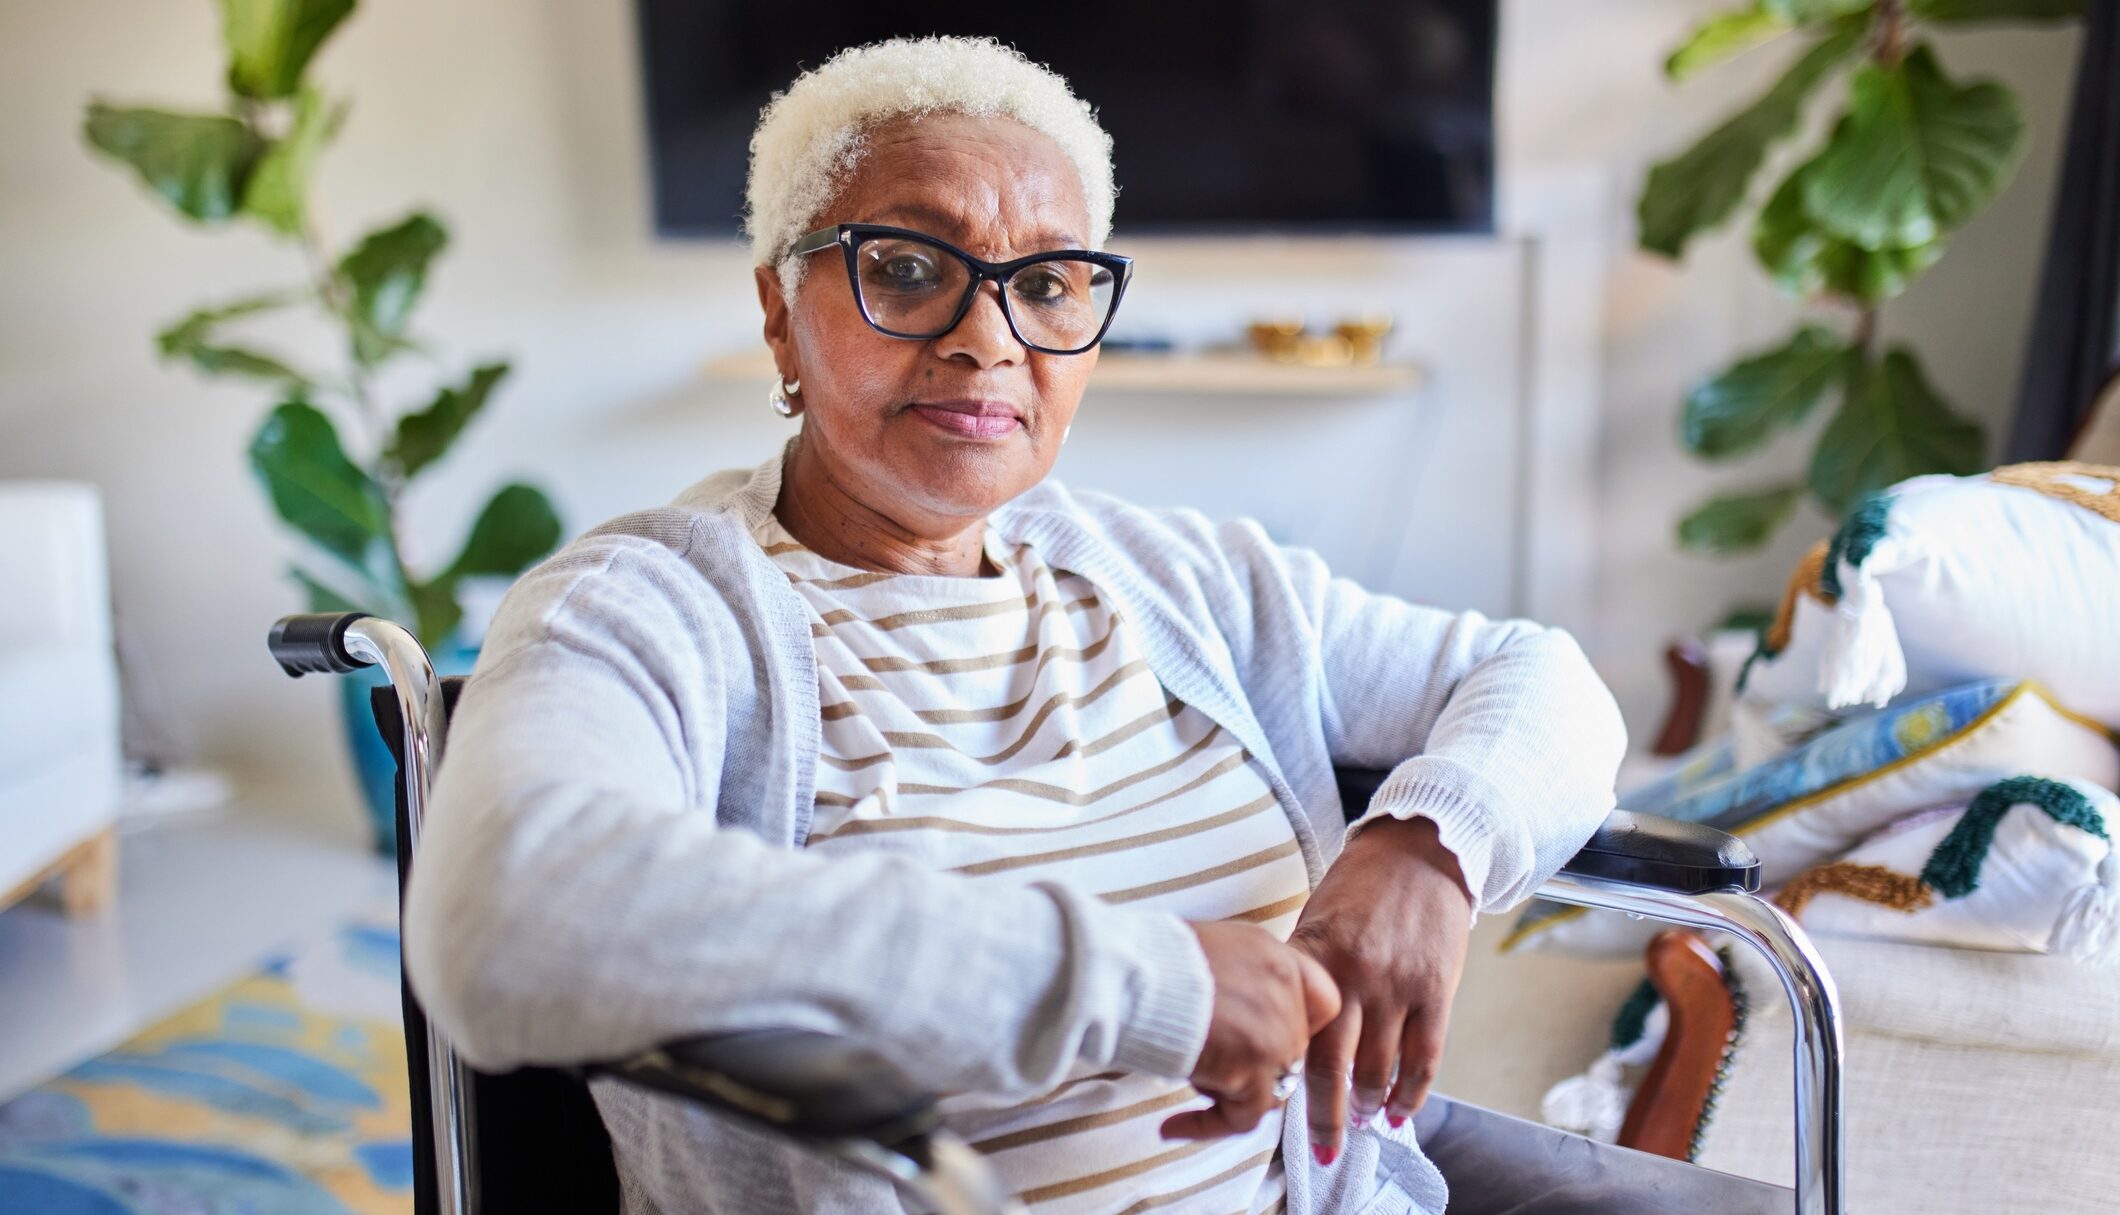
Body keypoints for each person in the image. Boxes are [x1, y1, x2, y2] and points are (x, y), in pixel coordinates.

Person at [404, 35, 1624, 1215]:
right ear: (781, 313)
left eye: (1046, 283)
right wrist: (1141, 985)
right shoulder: (651, 605)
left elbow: (1543, 681)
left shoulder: (1189, 579)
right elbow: (507, 918)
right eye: (907, 267)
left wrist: (1427, 846)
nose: (988, 336)